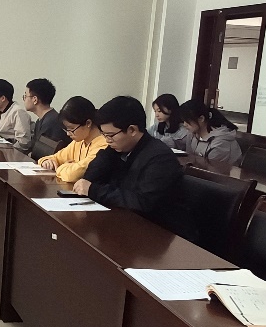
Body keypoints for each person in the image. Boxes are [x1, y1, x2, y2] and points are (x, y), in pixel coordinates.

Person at [72, 96, 196, 240]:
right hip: (129, 225)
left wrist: (94, 190)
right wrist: (107, 153)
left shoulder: (160, 158)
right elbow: (90, 178)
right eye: (104, 135)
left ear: (132, 130)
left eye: (110, 135)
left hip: (161, 234)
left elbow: (141, 202)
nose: (107, 140)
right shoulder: (120, 148)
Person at [36, 96, 110, 183]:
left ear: (88, 123)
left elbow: (72, 175)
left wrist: (60, 167)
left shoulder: (104, 145)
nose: (68, 133)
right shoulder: (79, 141)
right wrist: (46, 161)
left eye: (71, 129)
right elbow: (55, 158)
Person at [171, 99, 242, 166]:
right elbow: (179, 144)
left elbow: (211, 169)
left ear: (201, 119)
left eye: (187, 121)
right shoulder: (193, 134)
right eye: (183, 121)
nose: (184, 124)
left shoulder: (220, 143)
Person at [23, 78, 67, 158]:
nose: (24, 99)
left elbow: (41, 154)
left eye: (25, 96)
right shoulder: (42, 119)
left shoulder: (51, 122)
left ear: (35, 100)